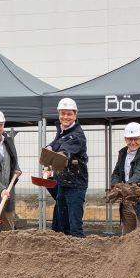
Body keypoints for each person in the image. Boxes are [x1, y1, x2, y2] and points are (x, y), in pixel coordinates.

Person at [45, 97, 89, 237]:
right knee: (63, 225)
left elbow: (64, 150)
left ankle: (80, 255)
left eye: (69, 114)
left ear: (75, 115)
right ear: (59, 114)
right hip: (62, 184)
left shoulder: (77, 135)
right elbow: (56, 143)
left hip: (76, 185)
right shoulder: (62, 131)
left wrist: (50, 158)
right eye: (63, 113)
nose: (65, 117)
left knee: (75, 227)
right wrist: (49, 148)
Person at [110, 122, 140, 234]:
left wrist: (124, 188)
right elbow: (116, 172)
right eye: (130, 139)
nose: (133, 142)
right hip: (126, 201)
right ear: (125, 139)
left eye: (136, 139)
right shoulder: (123, 153)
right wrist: (115, 184)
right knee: (127, 235)